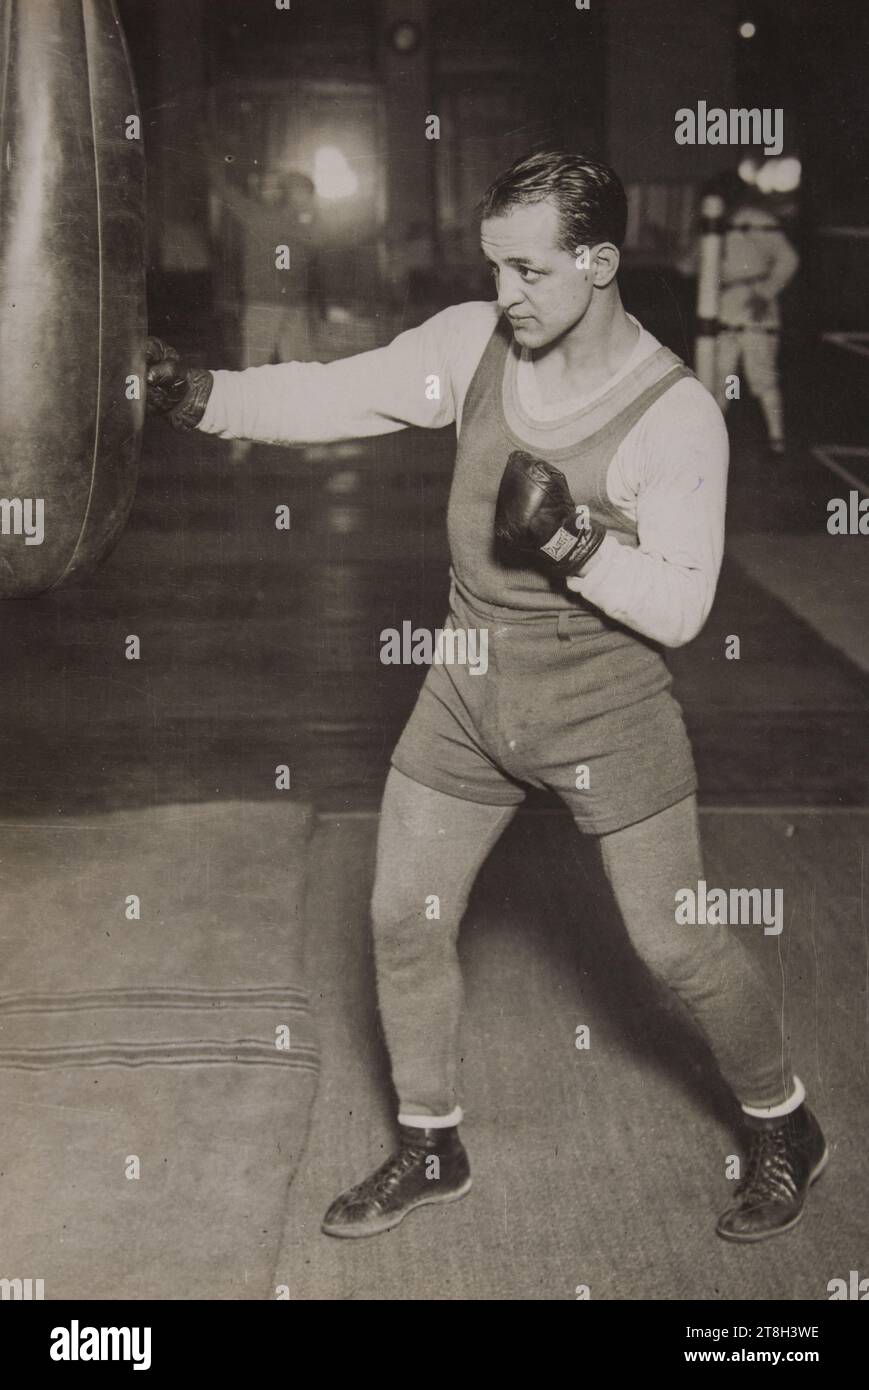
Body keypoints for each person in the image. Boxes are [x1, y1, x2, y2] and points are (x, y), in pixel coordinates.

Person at [146, 149, 827, 1245]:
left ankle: (783, 1121)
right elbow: (335, 387)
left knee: (675, 946)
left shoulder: (674, 414)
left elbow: (684, 606)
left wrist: (570, 542)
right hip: (465, 692)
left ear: (598, 263)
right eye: (493, 267)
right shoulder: (473, 343)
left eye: (527, 271)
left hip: (604, 709)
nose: (503, 294)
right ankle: (430, 1139)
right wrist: (201, 397)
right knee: (401, 915)